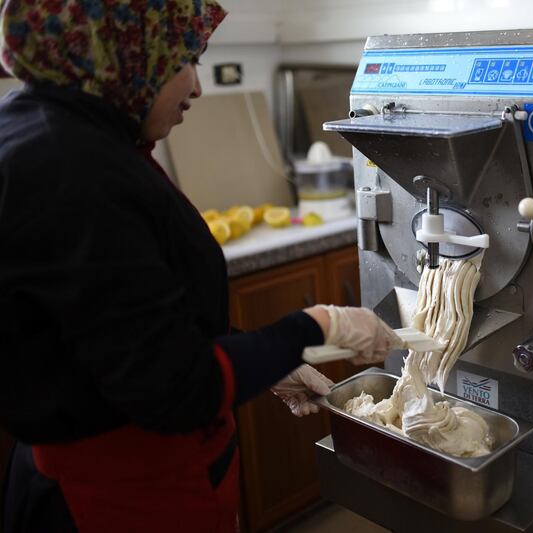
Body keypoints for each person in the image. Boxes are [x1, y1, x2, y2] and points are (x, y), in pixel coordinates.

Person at [0, 1, 401, 532]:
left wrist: (270, 360)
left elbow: (132, 329)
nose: (197, 87)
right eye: (185, 59)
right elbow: (171, 384)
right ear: (127, 53)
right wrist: (317, 326)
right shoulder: (69, 172)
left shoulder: (64, 133)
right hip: (115, 499)